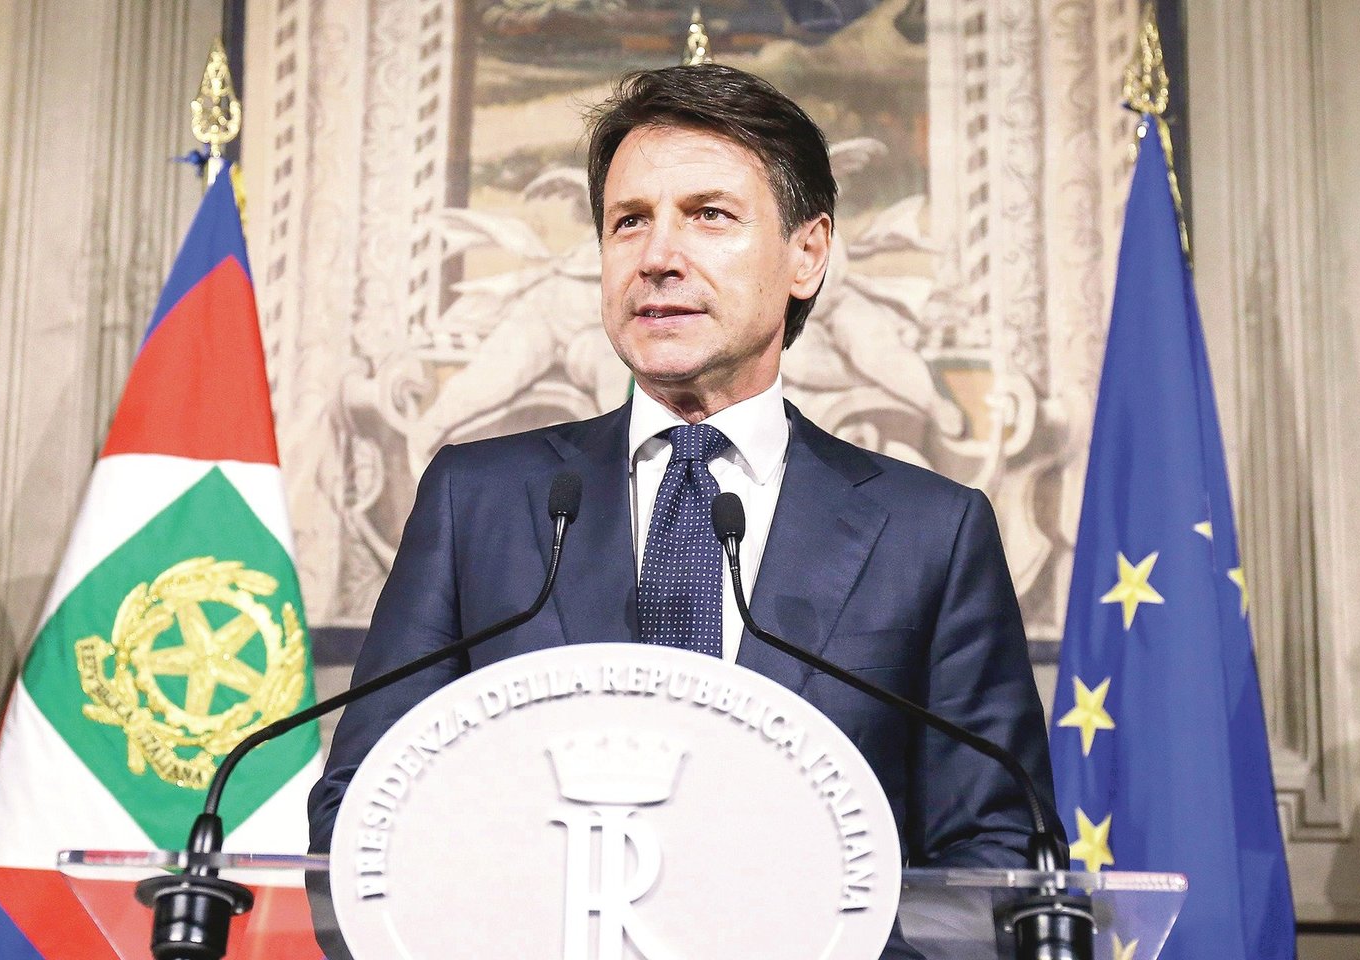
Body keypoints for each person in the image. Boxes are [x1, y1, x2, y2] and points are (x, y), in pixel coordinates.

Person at [308, 64, 1059, 956]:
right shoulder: (480, 501)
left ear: (807, 254)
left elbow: (993, 862)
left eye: (709, 215)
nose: (657, 256)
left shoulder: (929, 533)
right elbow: (363, 808)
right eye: (629, 221)